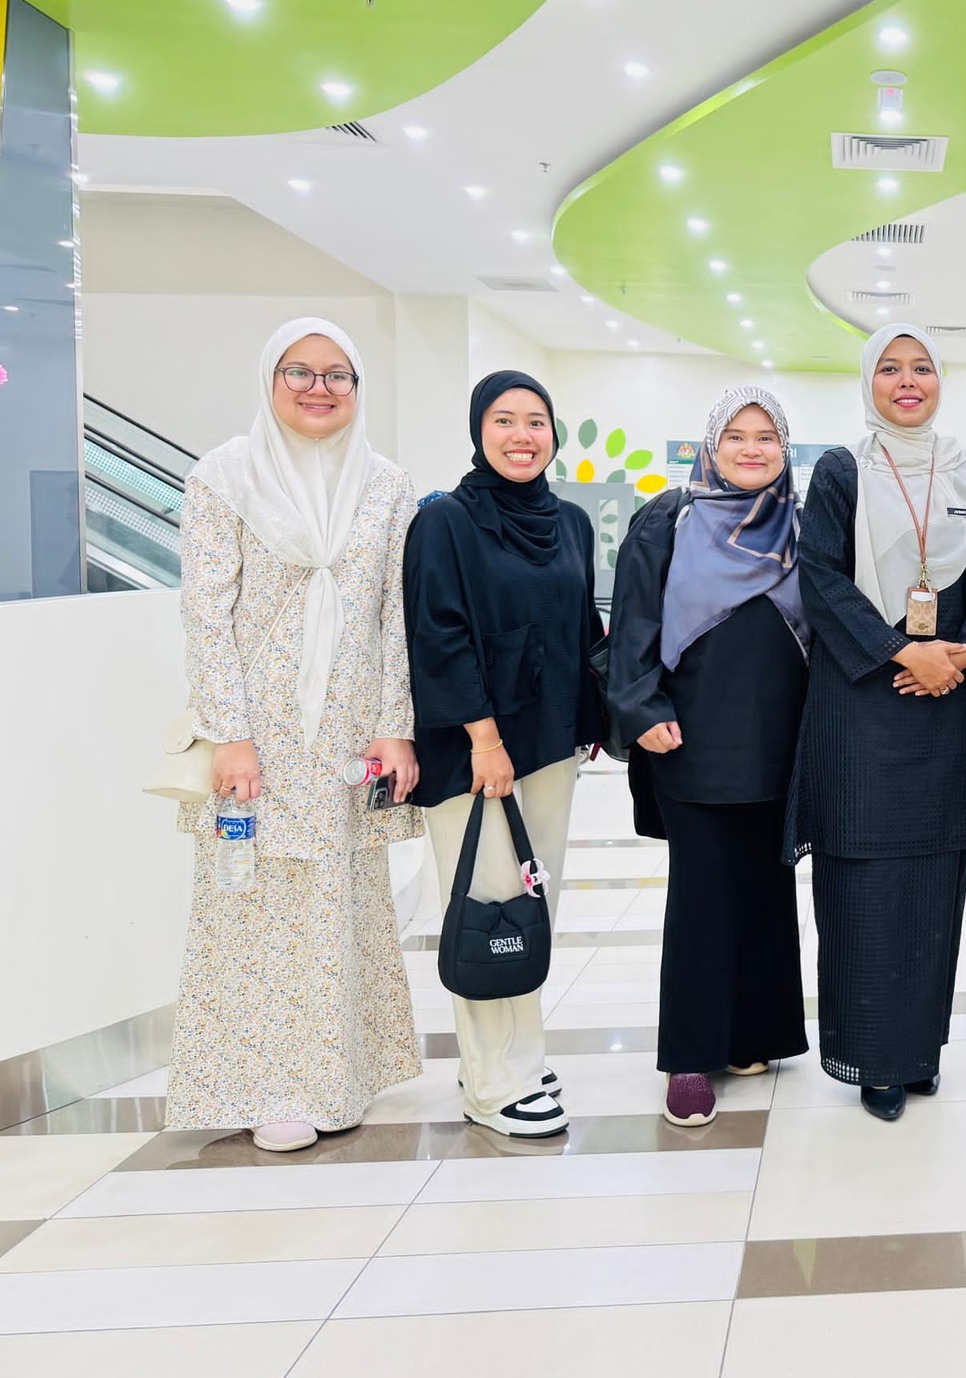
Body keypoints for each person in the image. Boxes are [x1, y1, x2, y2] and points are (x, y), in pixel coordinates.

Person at [168, 317, 422, 1153]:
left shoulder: (386, 486)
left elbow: (396, 616)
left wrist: (395, 728)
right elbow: (206, 616)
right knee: (256, 906)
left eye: (337, 374)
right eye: (299, 372)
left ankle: (337, 1077)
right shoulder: (224, 477)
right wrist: (229, 734)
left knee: (342, 902)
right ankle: (267, 1085)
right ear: (269, 379)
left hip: (349, 735)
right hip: (262, 737)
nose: (319, 388)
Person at [786, 324, 966, 1121]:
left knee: (936, 880)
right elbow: (820, 578)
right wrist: (902, 651)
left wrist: (965, 650)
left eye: (921, 369)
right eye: (889, 368)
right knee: (864, 881)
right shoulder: (843, 470)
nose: (907, 382)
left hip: (947, 703)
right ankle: (872, 1057)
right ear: (868, 382)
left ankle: (919, 1051)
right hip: (862, 703)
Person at [404, 370, 604, 1139]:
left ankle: (516, 1056)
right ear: (477, 430)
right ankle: (494, 1084)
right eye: (503, 420)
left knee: (530, 904)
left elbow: (581, 627)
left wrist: (590, 717)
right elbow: (439, 637)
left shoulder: (570, 522)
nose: (522, 436)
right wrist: (484, 740)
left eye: (536, 421)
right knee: (488, 904)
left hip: (548, 745)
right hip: (476, 751)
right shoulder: (445, 522)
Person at [608, 385, 812, 1128]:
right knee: (701, 898)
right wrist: (642, 708)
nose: (752, 449)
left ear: (785, 448)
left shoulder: (803, 524)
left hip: (783, 740)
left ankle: (754, 1035)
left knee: (766, 891)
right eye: (736, 436)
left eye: (767, 437)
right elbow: (632, 619)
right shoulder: (669, 519)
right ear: (711, 446)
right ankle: (691, 1056)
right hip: (691, 738)